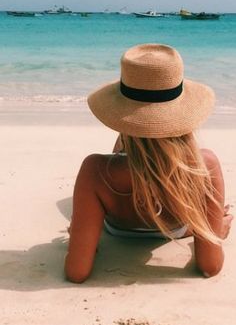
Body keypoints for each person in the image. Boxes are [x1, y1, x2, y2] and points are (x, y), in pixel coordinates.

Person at [64, 44, 233, 283]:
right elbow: (210, 266)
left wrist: (83, 237)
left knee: (123, 153)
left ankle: (131, 141)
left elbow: (76, 272)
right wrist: (215, 233)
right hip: (178, 223)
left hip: (118, 224)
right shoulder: (205, 165)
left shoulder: (95, 170)